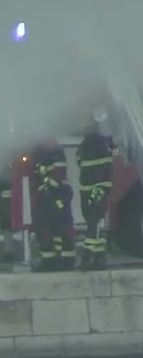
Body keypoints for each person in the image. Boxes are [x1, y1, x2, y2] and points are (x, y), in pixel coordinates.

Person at [77, 109, 116, 270]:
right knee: (94, 222)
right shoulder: (94, 145)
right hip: (90, 191)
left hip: (94, 191)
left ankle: (87, 257)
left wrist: (96, 193)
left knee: (93, 223)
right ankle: (99, 258)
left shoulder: (95, 145)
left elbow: (101, 173)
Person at [31, 140, 77, 271]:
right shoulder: (40, 153)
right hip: (46, 198)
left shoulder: (55, 152)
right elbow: (37, 174)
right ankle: (49, 261)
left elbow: (59, 173)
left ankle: (66, 261)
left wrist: (48, 189)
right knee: (46, 230)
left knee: (62, 229)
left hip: (57, 195)